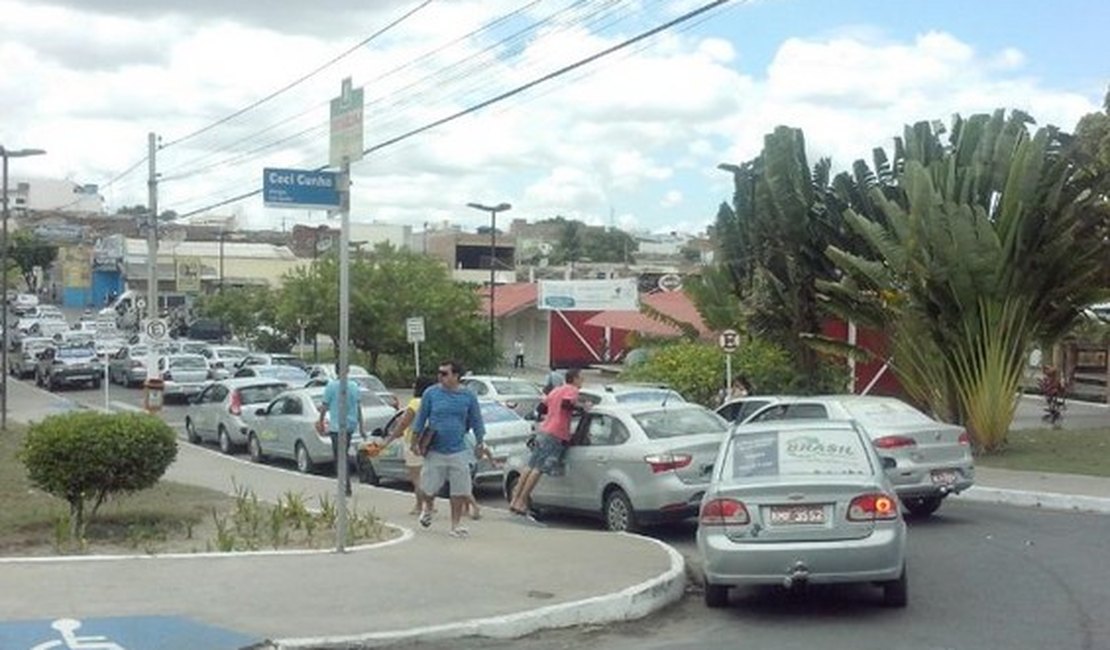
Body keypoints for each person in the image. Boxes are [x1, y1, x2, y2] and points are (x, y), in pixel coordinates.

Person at [411, 360, 489, 538]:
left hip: (458, 449)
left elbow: (476, 420)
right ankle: (428, 507)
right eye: (439, 373)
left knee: (459, 490)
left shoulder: (468, 396)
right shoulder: (431, 393)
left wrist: (479, 443)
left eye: (445, 373)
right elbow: (421, 418)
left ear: (456, 376)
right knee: (428, 488)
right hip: (435, 449)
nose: (440, 376)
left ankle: (455, 525)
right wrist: (415, 442)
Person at [510, 367, 587, 518]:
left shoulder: (556, 390)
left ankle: (515, 499)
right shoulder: (572, 390)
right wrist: (582, 407)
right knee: (538, 469)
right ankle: (522, 501)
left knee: (530, 466)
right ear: (575, 379)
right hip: (556, 432)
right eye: (582, 378)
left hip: (544, 430)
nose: (583, 381)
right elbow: (567, 404)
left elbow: (541, 408)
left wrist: (553, 412)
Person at [381, 375, 437, 515]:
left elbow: (403, 424)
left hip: (413, 441)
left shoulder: (414, 404)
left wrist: (390, 438)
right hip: (430, 441)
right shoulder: (433, 401)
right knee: (429, 476)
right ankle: (431, 504)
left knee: (417, 477)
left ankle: (420, 506)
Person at [317, 364, 364, 497]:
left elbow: (325, 406)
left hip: (337, 427)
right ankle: (346, 485)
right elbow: (358, 407)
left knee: (340, 458)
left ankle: (345, 487)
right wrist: (361, 427)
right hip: (350, 425)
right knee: (344, 455)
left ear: (336, 371)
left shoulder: (331, 386)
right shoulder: (354, 386)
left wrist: (320, 422)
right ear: (348, 371)